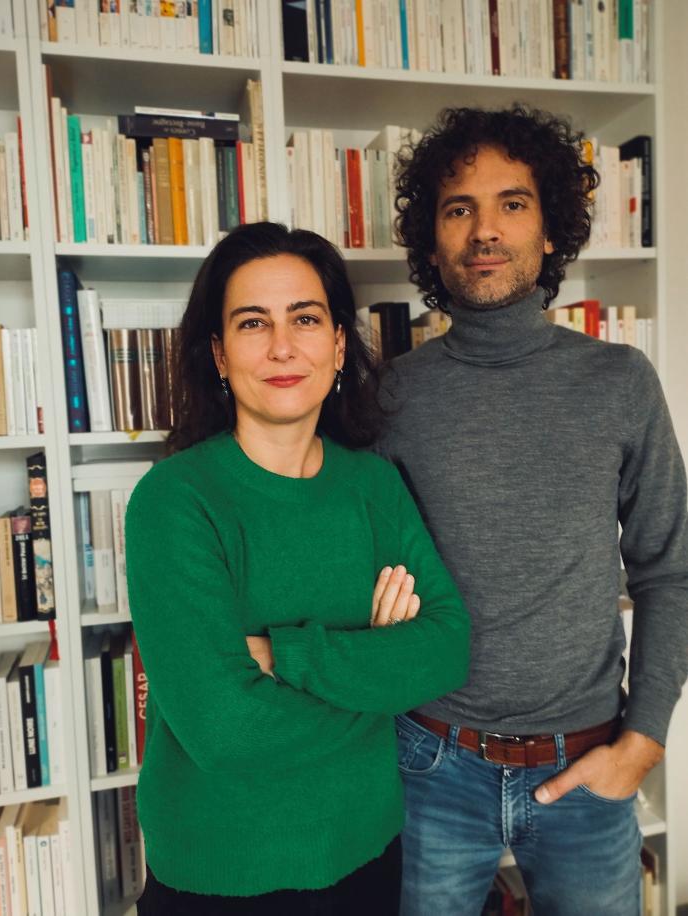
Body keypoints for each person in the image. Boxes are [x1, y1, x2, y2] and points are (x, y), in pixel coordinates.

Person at [377, 105, 688, 915]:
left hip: (588, 764)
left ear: (550, 231)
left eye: (512, 203)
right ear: (432, 242)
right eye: (459, 208)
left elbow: (671, 570)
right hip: (431, 765)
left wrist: (644, 742)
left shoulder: (620, 381)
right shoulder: (393, 396)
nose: (485, 229)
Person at [126, 222, 471, 915]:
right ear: (219, 354)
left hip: (368, 851)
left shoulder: (373, 485)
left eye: (306, 319)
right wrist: (377, 679)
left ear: (338, 345)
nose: (282, 346)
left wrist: (287, 656)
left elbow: (447, 649)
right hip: (220, 875)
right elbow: (224, 732)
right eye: (253, 323)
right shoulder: (174, 501)